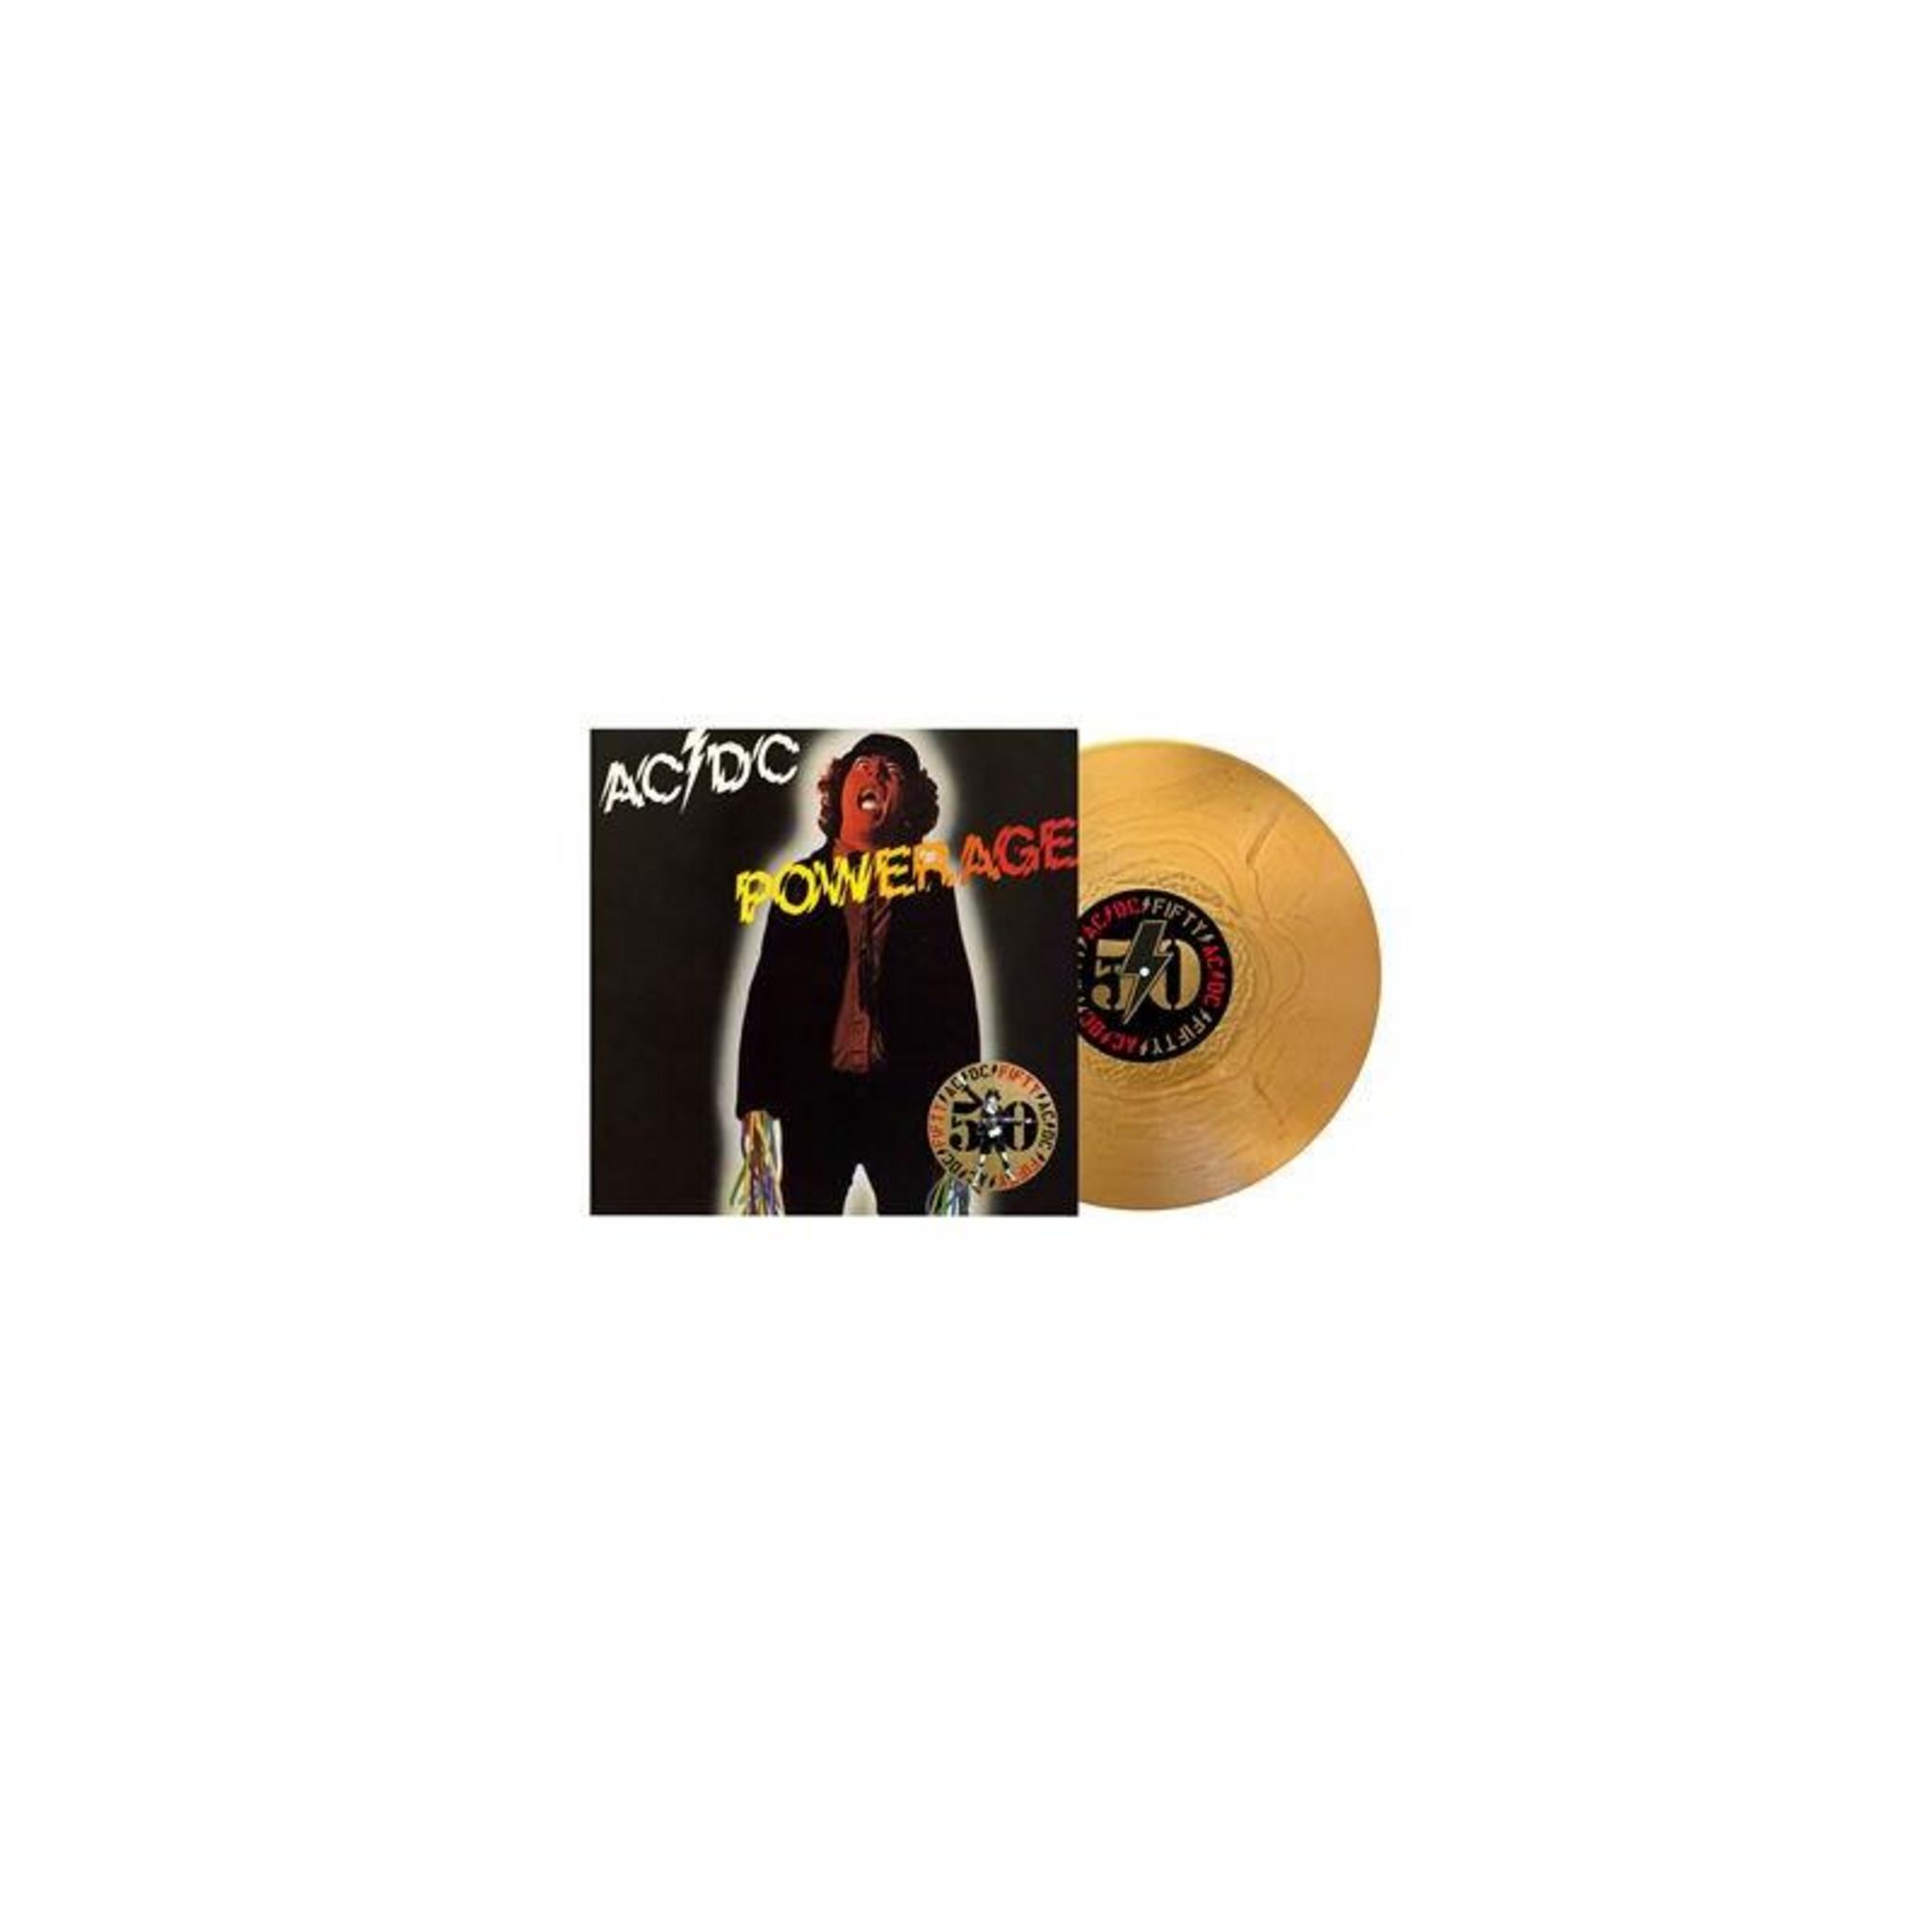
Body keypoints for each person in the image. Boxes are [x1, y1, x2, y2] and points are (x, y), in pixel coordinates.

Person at [735, 734, 978, 1212]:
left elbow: (955, 1001)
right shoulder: (798, 884)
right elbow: (767, 996)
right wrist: (755, 1103)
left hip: (903, 1103)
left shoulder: (931, 888)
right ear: (840, 786)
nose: (876, 773)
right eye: (863, 764)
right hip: (817, 1100)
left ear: (907, 803)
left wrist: (962, 1109)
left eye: (893, 772)